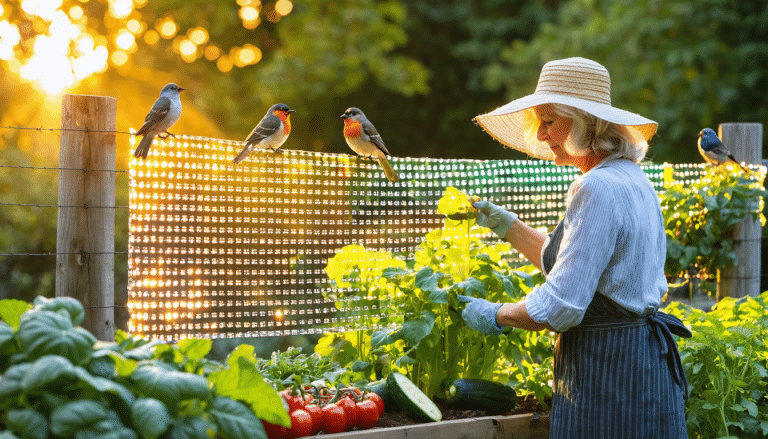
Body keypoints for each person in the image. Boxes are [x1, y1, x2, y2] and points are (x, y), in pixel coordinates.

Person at [458, 57, 691, 438]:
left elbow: (560, 306)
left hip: (608, 374)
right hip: (642, 366)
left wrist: (496, 314)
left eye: (548, 122)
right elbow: (579, 266)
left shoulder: (595, 188)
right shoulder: (631, 178)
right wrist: (507, 224)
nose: (540, 135)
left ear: (584, 121)